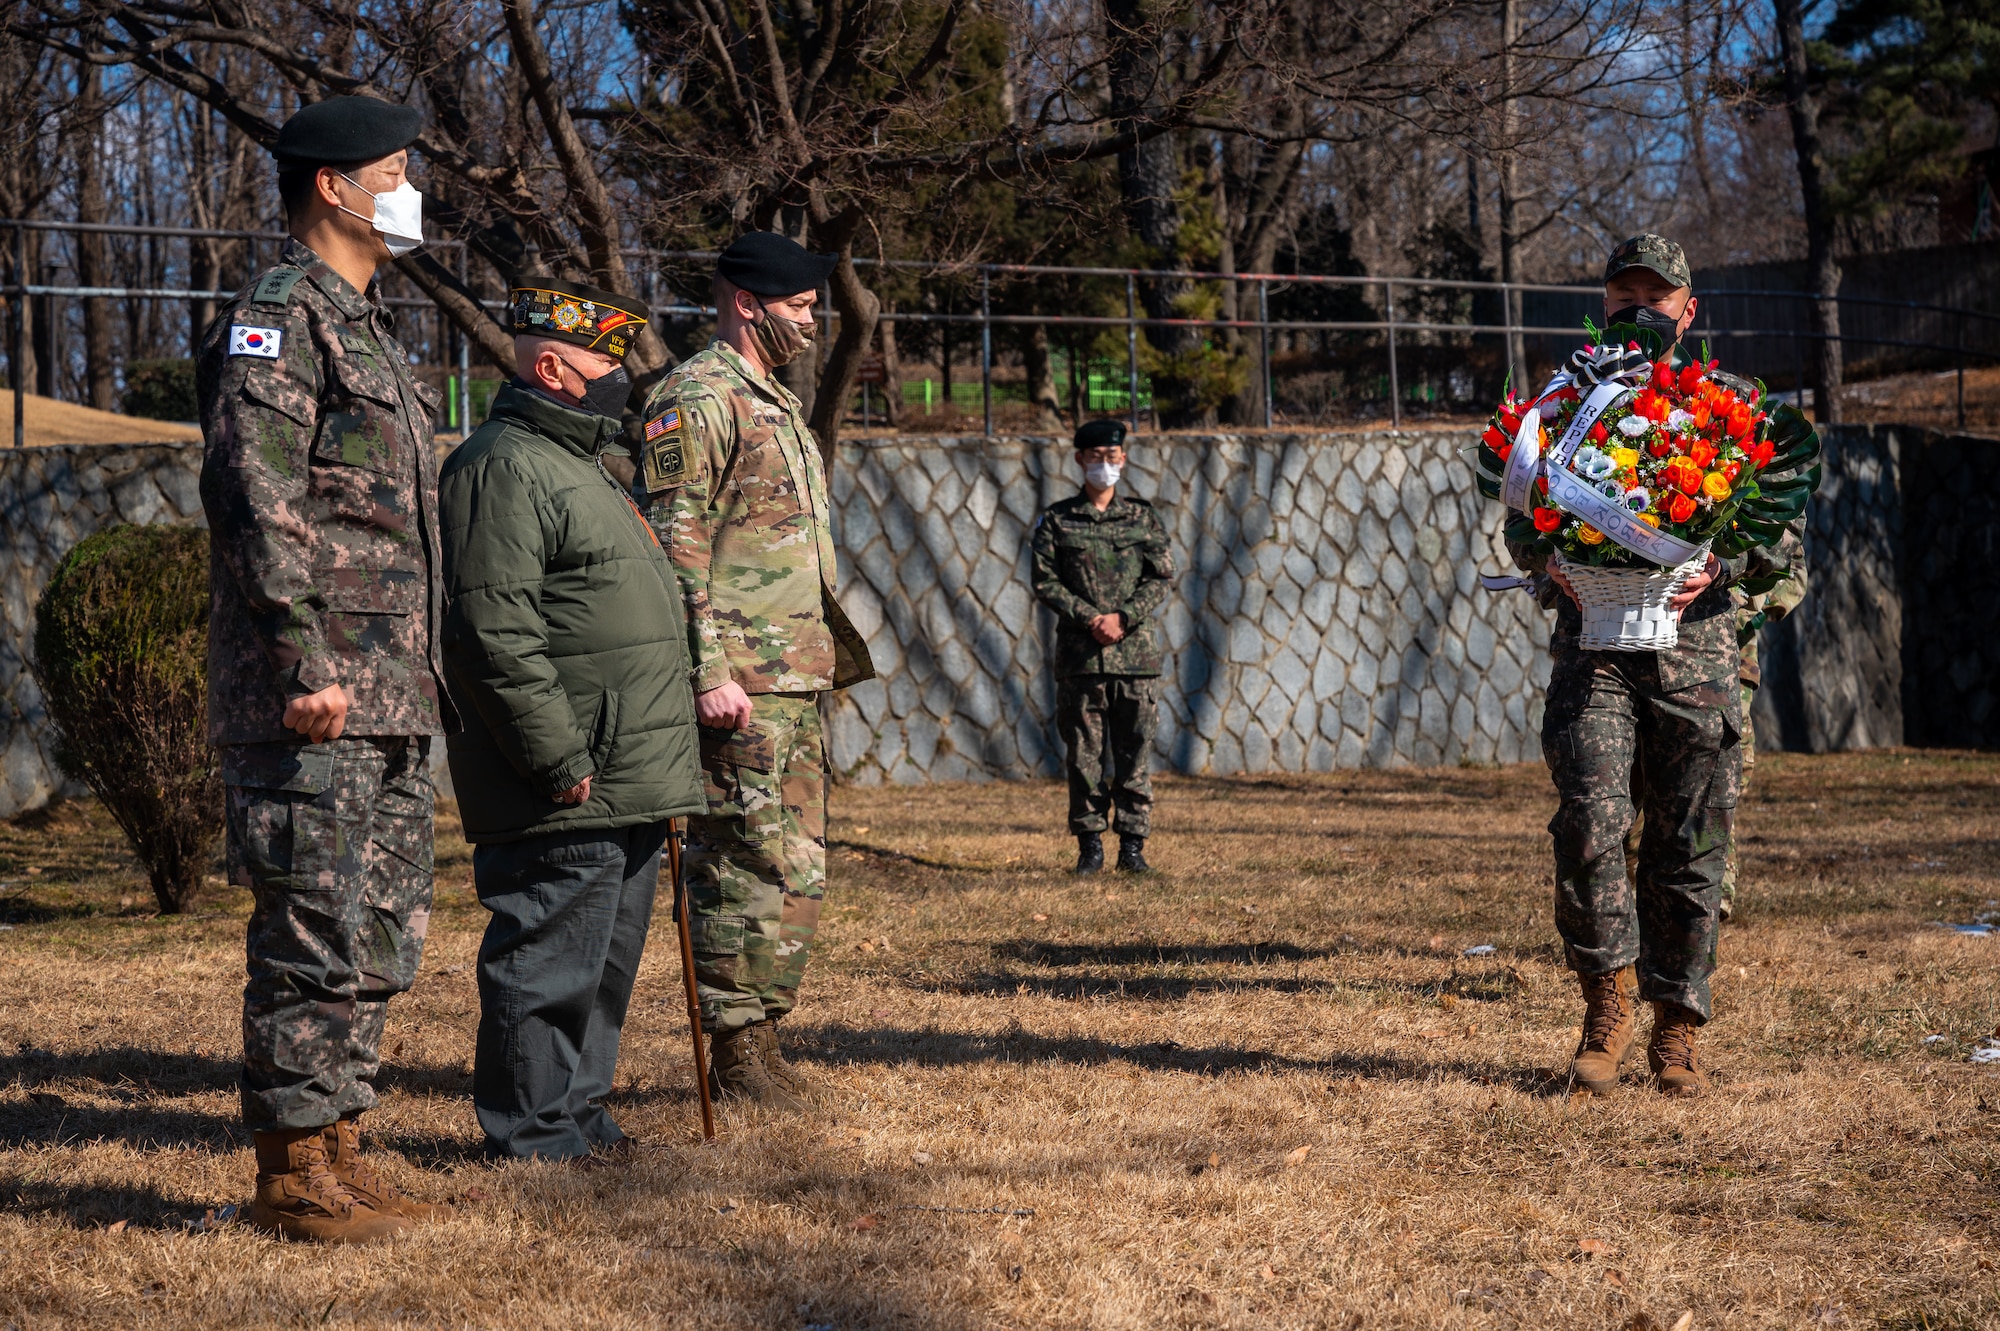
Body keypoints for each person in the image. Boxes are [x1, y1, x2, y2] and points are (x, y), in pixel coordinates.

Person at [197, 95, 448, 1242]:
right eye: (394, 170)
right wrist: (304, 655)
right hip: (318, 690)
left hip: (387, 690)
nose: (410, 189)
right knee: (308, 924)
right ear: (335, 187)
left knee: (375, 927)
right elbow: (258, 493)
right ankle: (291, 1170)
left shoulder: (367, 323)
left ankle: (342, 1142)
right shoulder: (279, 314)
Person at [1512, 233, 1804, 1099]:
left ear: (1690, 308)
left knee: (1689, 838)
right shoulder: (1566, 404)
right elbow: (1522, 515)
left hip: (1698, 651)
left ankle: (1677, 1031)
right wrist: (1545, 563)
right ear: (1603, 306)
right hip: (1595, 647)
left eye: (1658, 295)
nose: (1641, 310)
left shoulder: (1734, 405)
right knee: (1591, 821)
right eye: (1624, 295)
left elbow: (1777, 539)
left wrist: (1725, 566)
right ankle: (1605, 1007)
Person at [438, 278, 704, 1160]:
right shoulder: (503, 465)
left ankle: (581, 1117)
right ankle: (530, 1134)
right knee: (547, 962)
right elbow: (492, 628)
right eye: (604, 361)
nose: (619, 377)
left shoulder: (585, 465)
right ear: (551, 367)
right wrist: (556, 757)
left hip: (622, 771)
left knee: (602, 969)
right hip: (570, 775)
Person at [638, 232, 874, 1113]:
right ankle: (734, 1050)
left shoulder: (771, 399)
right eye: (800, 306)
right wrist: (705, 670)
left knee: (796, 861)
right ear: (748, 302)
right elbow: (676, 542)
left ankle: (765, 1034)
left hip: (793, 676)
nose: (814, 320)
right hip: (739, 681)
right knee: (740, 857)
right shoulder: (695, 399)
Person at [1029, 419, 1177, 874]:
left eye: (1112, 456)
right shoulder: (1057, 520)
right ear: (1079, 459)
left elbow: (1162, 575)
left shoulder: (1142, 518)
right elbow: (1045, 581)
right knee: (1084, 757)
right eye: (1096, 456)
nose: (1105, 464)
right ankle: (1090, 846)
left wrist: (1124, 618)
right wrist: (1090, 618)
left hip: (1136, 661)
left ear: (1124, 460)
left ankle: (1132, 847)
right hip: (1081, 659)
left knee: (1135, 755)